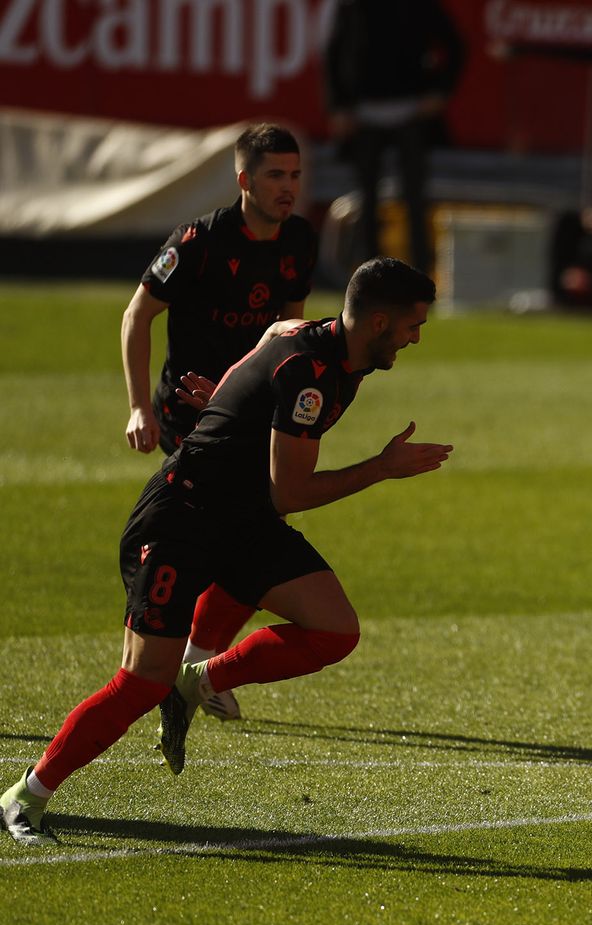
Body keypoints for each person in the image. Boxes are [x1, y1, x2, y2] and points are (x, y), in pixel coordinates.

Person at [2, 258, 452, 846]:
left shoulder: (307, 337)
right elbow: (288, 492)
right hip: (182, 518)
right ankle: (27, 794)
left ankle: (199, 679)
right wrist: (380, 468)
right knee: (140, 682)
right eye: (413, 325)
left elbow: (261, 353)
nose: (417, 337)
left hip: (242, 520)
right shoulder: (311, 372)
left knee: (334, 630)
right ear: (379, 322)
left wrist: (228, 406)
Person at [120, 122, 320, 721]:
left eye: (295, 175)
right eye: (275, 176)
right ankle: (186, 664)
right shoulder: (199, 242)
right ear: (244, 180)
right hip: (190, 417)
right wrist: (137, 406)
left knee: (252, 527)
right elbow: (137, 315)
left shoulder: (300, 241)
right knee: (243, 528)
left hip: (251, 414)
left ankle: (192, 664)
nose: (289, 188)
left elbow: (284, 334)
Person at [325, 0, 464, 276]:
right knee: (367, 197)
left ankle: (421, 274)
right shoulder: (353, 6)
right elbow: (333, 53)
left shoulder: (419, 6)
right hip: (364, 114)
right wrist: (339, 106)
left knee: (414, 197)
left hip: (410, 113)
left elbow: (456, 46)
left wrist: (439, 92)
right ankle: (368, 277)